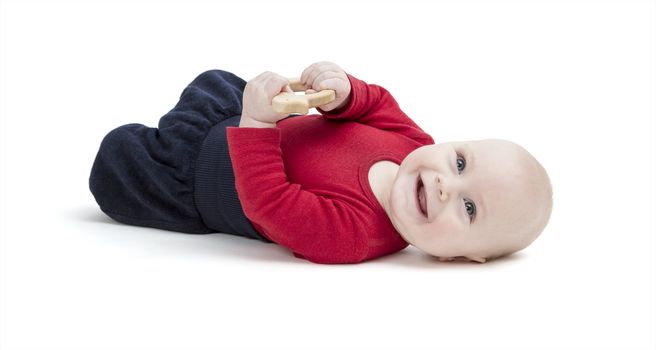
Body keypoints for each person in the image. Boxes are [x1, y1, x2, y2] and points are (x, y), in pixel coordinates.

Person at [89, 61, 553, 264]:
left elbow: (269, 202)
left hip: (194, 180)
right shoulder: (415, 142)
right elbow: (376, 105)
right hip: (229, 117)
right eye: (459, 162)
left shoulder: (354, 236)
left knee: (116, 159)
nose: (448, 186)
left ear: (460, 259)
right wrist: (344, 91)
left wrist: (255, 124)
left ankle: (154, 150)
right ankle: (204, 117)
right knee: (218, 79)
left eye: (469, 209)